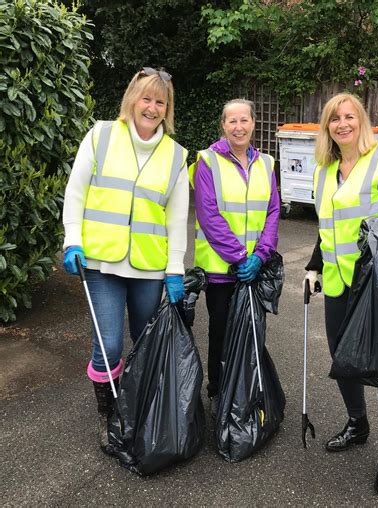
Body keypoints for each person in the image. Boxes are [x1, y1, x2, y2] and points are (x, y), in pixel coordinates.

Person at [62, 67, 189, 450]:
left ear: (167, 109)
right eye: (146, 98)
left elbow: (177, 219)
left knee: (145, 342)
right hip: (100, 262)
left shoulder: (176, 155)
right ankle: (110, 414)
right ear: (132, 98)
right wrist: (72, 240)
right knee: (109, 344)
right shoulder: (101, 135)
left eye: (160, 102)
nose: (151, 107)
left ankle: (138, 401)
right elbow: (76, 192)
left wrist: (175, 269)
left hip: (149, 267)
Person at [303, 92, 378, 495]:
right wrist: (314, 265)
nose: (343, 124)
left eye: (350, 116)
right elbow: (328, 225)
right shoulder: (324, 169)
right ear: (328, 127)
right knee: (344, 358)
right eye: (335, 118)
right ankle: (358, 424)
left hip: (377, 284)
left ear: (361, 121)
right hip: (337, 282)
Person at [190, 98, 280, 418]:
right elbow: (209, 214)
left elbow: (272, 211)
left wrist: (261, 255)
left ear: (254, 123)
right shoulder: (207, 162)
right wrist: (241, 256)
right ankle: (217, 391)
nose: (238, 127)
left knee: (252, 330)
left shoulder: (266, 164)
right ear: (223, 126)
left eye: (244, 120)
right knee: (221, 330)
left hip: (255, 268)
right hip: (221, 270)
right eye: (232, 121)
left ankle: (246, 389)